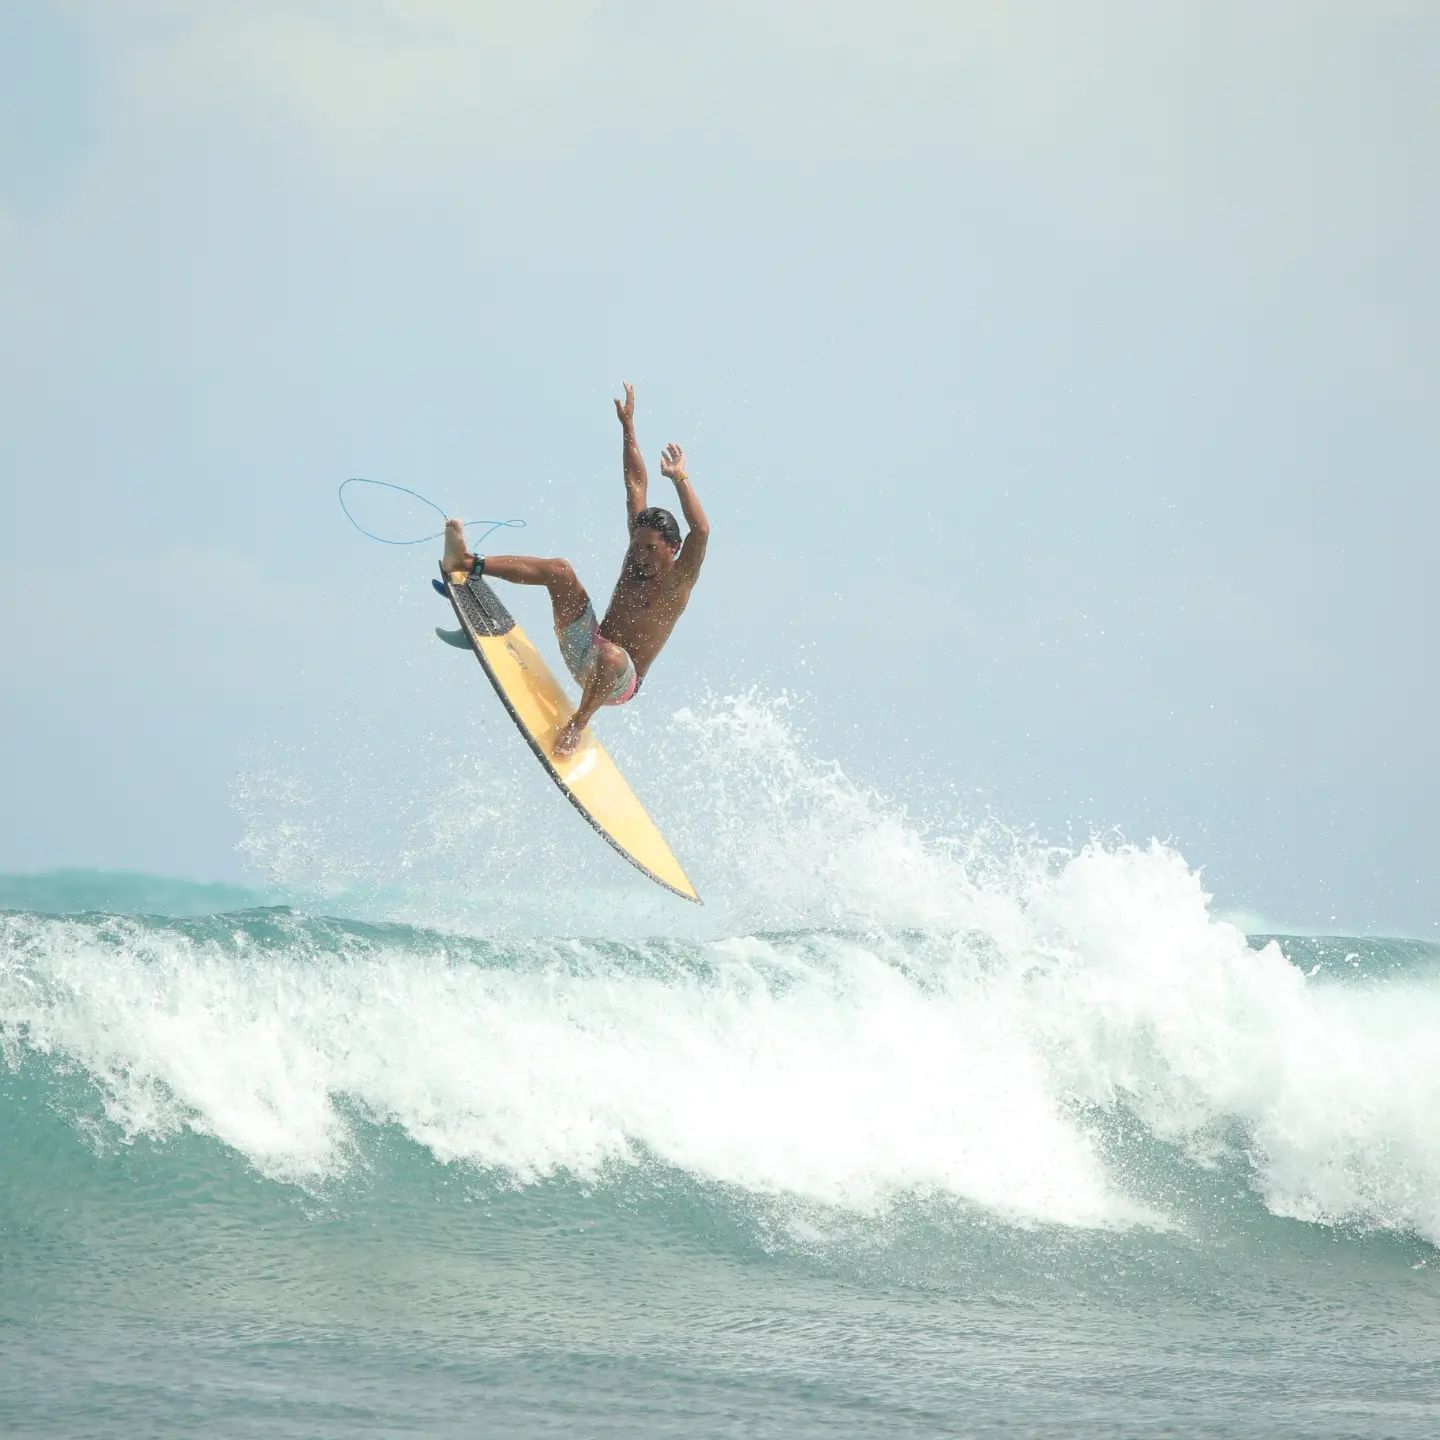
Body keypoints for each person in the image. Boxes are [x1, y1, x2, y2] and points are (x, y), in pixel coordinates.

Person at [442, 383, 710, 757]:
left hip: (618, 681)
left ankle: (577, 726)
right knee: (560, 570)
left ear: (673, 549)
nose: (641, 555)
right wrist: (628, 426)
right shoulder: (637, 550)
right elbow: (635, 483)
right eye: (637, 545)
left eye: (650, 549)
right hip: (586, 643)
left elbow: (701, 529)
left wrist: (680, 478)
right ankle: (467, 562)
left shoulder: (679, 580)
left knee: (613, 655)